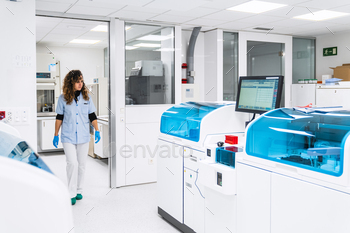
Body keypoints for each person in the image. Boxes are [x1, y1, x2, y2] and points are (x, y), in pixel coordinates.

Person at [52, 70, 101, 205]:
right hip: (68, 135)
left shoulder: (87, 98)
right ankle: (71, 192)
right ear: (71, 82)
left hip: (84, 135)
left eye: (81, 81)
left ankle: (79, 190)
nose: (80, 84)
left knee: (82, 164)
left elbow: (92, 115)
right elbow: (59, 117)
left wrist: (97, 129)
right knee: (72, 163)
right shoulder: (62, 98)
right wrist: (55, 134)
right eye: (77, 81)